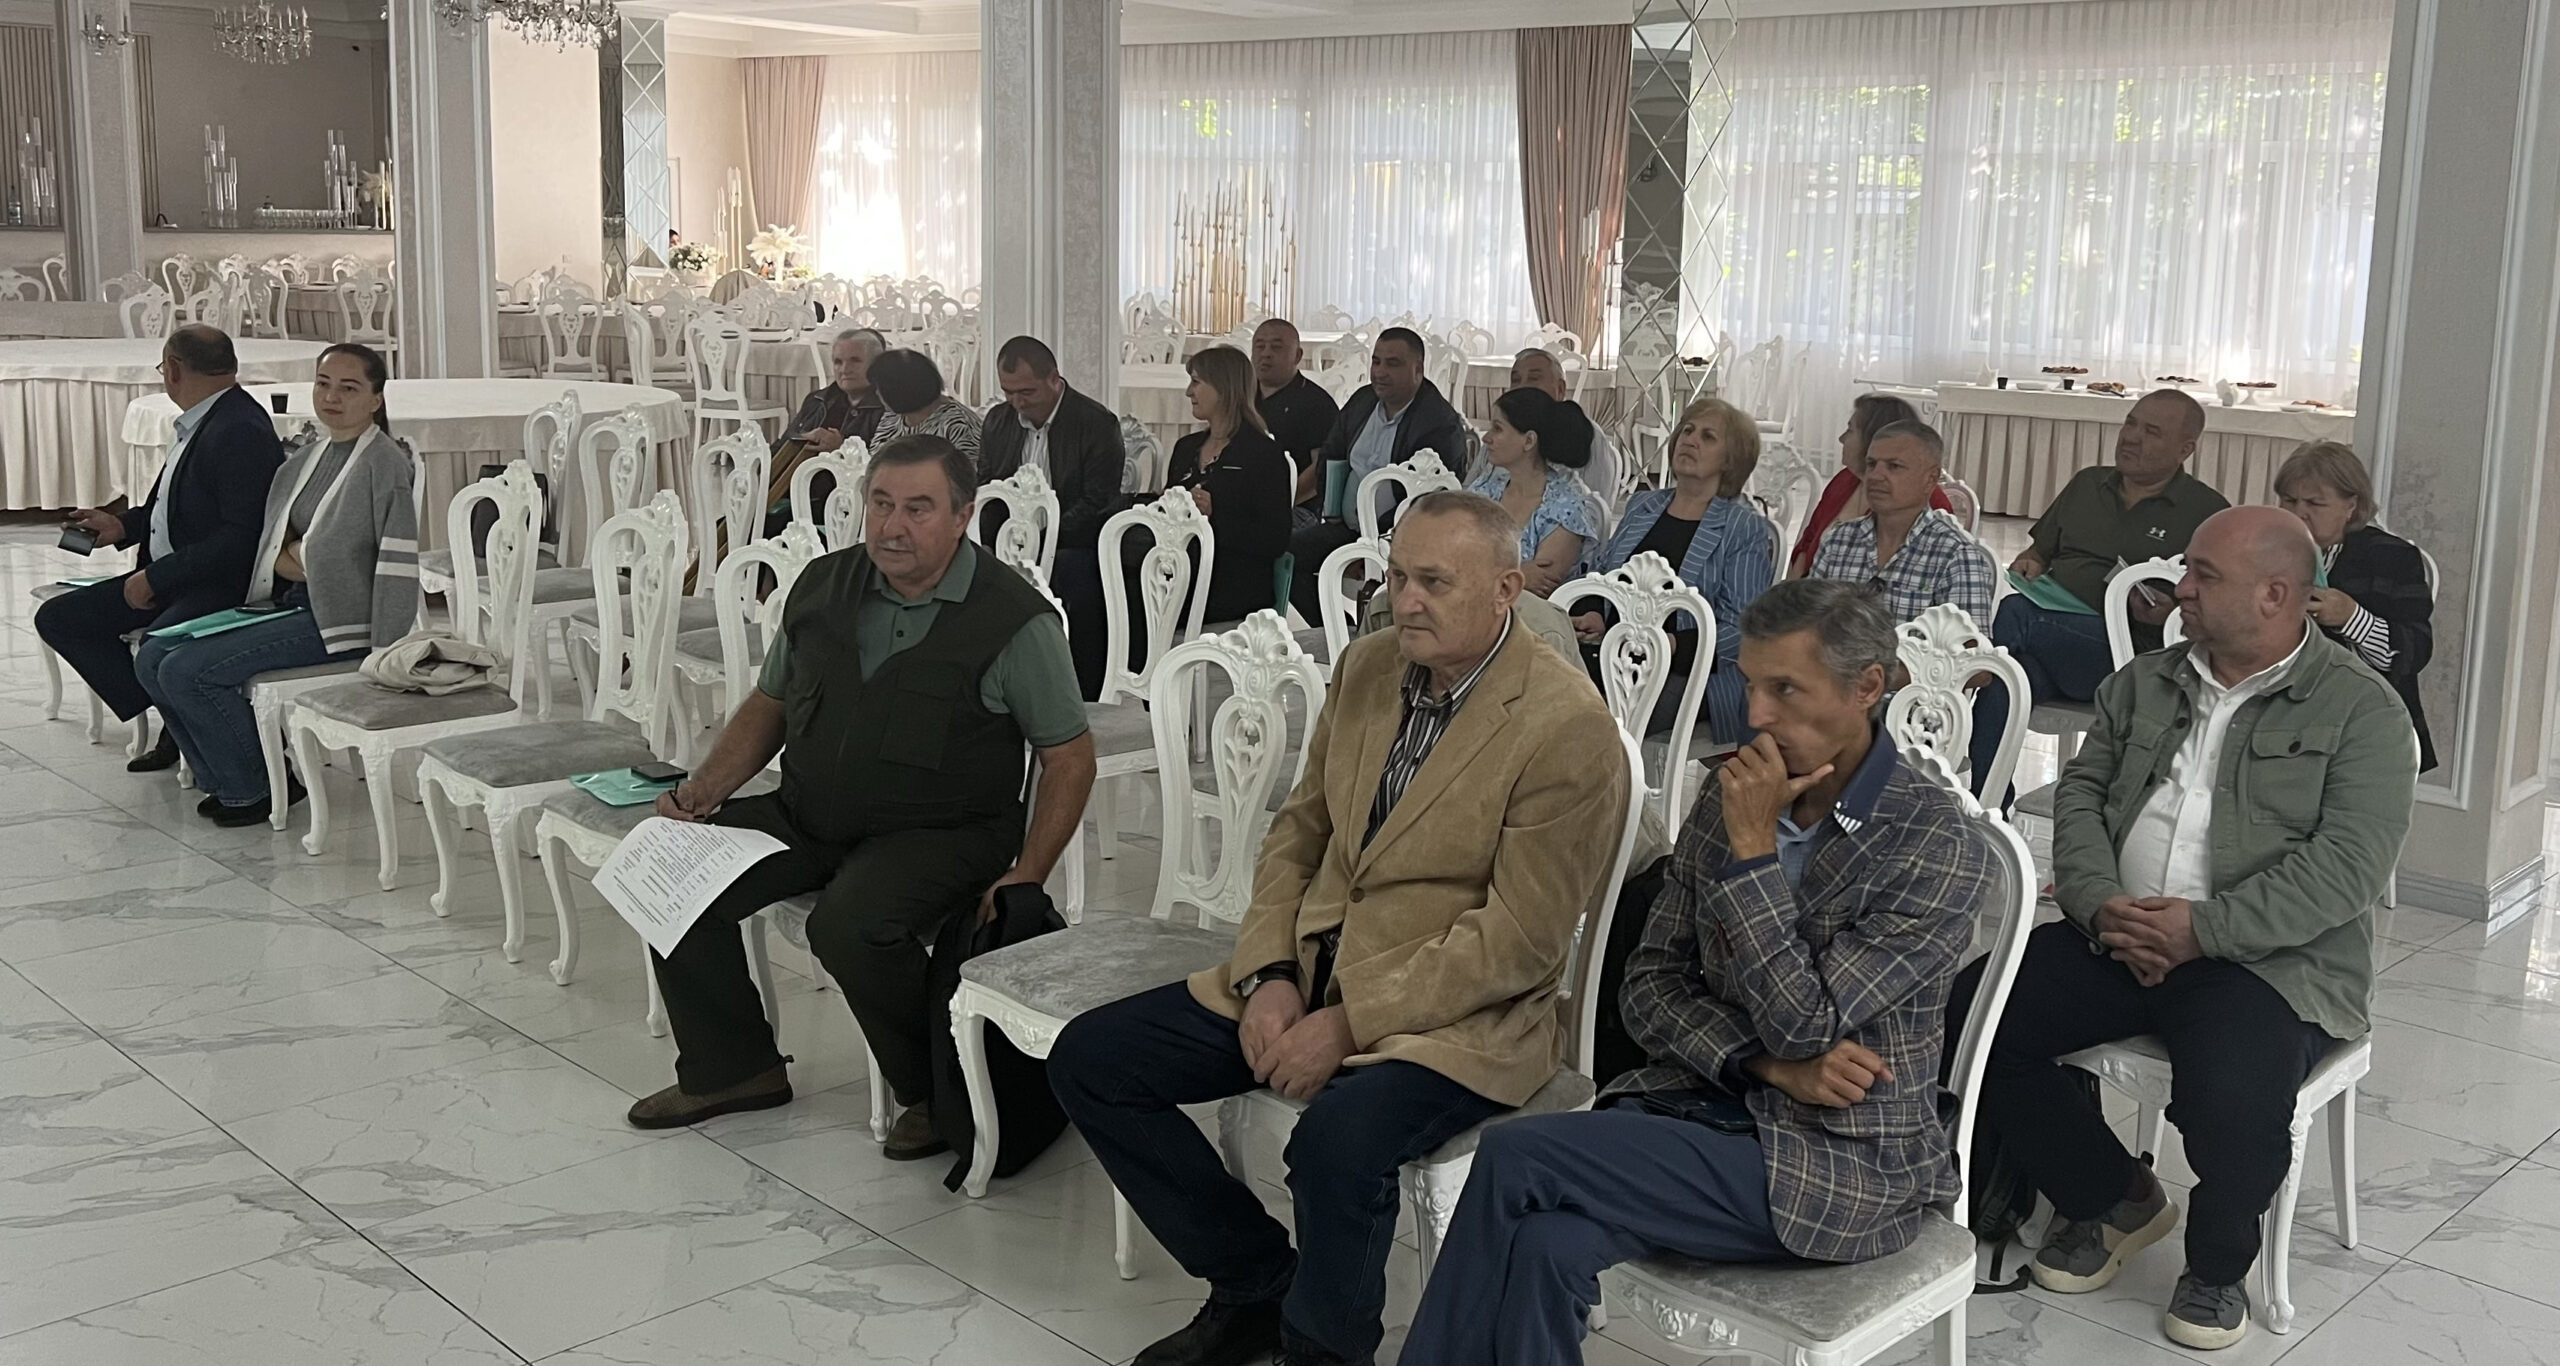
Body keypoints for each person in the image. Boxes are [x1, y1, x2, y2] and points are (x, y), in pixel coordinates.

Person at [1048, 491, 1627, 1366]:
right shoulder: (1367, 666)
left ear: (1508, 589)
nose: (1406, 601)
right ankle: (1253, 1281)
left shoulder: (1565, 726)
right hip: (1314, 968)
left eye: (1434, 582)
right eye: (1397, 576)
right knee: (1094, 1059)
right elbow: (1299, 831)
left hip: (1460, 1016)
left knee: (1338, 1143)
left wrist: (1352, 1022)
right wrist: (1270, 975)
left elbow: (1520, 938)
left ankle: (1325, 1350)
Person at [1399, 579, 1998, 1366]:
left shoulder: (1932, 842)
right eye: (1750, 685)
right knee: (1546, 1244)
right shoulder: (1730, 793)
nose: (1756, 715)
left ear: (1867, 688)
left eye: (1786, 689)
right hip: (1703, 1108)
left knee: (1518, 1157)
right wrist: (1764, 1064)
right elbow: (1648, 988)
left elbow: (1805, 1022)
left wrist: (1753, 854)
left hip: (1842, 1159)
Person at [1951, 506, 2416, 1351]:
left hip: (2268, 960)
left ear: (2276, 595)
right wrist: (2100, 902)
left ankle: (2217, 1267)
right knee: (1973, 1017)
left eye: (2204, 574)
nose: (2180, 588)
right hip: (2118, 931)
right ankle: (2112, 1197)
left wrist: (2204, 929)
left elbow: (2346, 868)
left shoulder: (2363, 711)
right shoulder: (2146, 680)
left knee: (2233, 1095)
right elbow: (2082, 795)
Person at [629, 435, 1098, 1162]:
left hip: (945, 832)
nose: (891, 526)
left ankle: (932, 1091)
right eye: (880, 504)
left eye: (917, 509)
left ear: (962, 516)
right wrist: (703, 792)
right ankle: (733, 1069)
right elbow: (771, 702)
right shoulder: (824, 584)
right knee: (672, 868)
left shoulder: (1014, 620)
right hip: (810, 810)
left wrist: (1028, 871)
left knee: (850, 926)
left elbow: (1068, 757)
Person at [132, 343, 417, 826]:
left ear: (376, 399)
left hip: (341, 622)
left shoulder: (383, 464)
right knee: (154, 654)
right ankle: (224, 778)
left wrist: (382, 650)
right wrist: (300, 556)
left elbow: (388, 559)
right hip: (292, 603)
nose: (332, 397)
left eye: (349, 388)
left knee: (188, 670)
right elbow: (276, 550)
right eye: (323, 384)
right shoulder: (307, 458)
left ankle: (257, 787)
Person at [38, 324, 287, 773]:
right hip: (175, 576)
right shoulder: (206, 417)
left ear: (172, 369)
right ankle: (178, 718)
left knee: (159, 651)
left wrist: (155, 578)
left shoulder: (238, 428)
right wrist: (121, 525)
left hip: (214, 584)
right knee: (60, 618)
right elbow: (173, 504)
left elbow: (240, 536)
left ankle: (187, 722)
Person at [1967, 389, 2229, 798]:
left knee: (2015, 617)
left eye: (2151, 432)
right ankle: (1986, 806)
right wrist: (2031, 562)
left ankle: (1958, 682)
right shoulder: (2088, 484)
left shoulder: (2206, 512)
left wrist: (2171, 612)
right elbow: (2038, 552)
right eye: (2130, 423)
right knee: (2006, 681)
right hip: (2056, 643)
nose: (2132, 437)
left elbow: (2219, 607)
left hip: (2134, 658)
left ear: (2185, 449)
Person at [1572, 398, 1774, 745]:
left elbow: (1746, 630)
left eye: (1708, 437)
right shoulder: (1643, 505)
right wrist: (1595, 613)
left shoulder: (1743, 528)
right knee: (1546, 691)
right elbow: (1603, 572)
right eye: (1687, 430)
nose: (1690, 440)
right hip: (1613, 652)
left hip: (1690, 673)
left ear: (1731, 459)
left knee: (1590, 722)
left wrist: (1674, 644)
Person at [978, 335, 1131, 698]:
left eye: (1027, 392)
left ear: (1054, 379)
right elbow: (986, 486)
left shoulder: (1095, 423)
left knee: (1074, 576)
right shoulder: (999, 421)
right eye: (1008, 392)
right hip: (1010, 537)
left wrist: (1043, 539)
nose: (1017, 403)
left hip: (1073, 540)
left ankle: (1077, 690)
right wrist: (991, 540)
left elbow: (1098, 501)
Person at [1283, 328, 1471, 622]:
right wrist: (1331, 513)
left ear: (1418, 369)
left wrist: (1374, 543)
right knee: (1285, 555)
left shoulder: (1437, 423)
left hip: (1400, 537)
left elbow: (1430, 502)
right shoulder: (1363, 401)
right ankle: (1339, 629)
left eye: (1393, 363)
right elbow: (1332, 455)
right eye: (1376, 361)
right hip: (1346, 527)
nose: (1380, 372)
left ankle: (1370, 634)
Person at [2274, 440, 2435, 771]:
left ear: (2351, 506)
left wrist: (2351, 618)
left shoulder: (2392, 558)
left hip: (2364, 718)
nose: (2298, 513)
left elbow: (2413, 652)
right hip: (2278, 709)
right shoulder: (2268, 550)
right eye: (2289, 500)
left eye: (2315, 503)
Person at [1806, 420, 1993, 626]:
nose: (1875, 476)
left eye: (1894, 466)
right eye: (1871, 464)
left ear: (1930, 479)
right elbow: (1808, 624)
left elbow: (1969, 646)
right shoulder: (1838, 540)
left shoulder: (1956, 556)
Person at [1165, 344, 1294, 623]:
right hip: (1180, 571)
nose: (1188, 392)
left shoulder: (1263, 454)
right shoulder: (1186, 448)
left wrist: (1215, 514)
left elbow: (1274, 539)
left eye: (1196, 382)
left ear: (1223, 388)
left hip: (1234, 581)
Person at [1786, 393, 1951, 578]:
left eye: (1850, 430)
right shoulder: (1845, 481)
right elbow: (1808, 542)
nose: (1841, 438)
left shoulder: (1929, 500)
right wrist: (1795, 587)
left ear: (1873, 438)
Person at [1465, 386, 1603, 596]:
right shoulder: (1485, 489)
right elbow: (1453, 553)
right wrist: (1517, 574)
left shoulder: (1564, 510)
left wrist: (1477, 572)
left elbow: (1540, 591)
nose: (1486, 438)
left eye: (1498, 428)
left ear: (1529, 440)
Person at [762, 327, 888, 535]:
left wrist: (841, 449)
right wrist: (799, 440)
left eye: (855, 361)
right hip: (800, 496)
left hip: (852, 509)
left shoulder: (890, 408)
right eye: (838, 362)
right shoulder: (817, 400)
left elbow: (890, 471)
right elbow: (781, 448)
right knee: (734, 525)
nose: (844, 369)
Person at [1509, 348, 1620, 521]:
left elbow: (1590, 516)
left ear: (1560, 389)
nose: (1522, 387)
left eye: (1534, 379)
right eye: (1515, 380)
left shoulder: (1584, 436)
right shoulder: (1504, 430)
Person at [1250, 318, 1341, 523]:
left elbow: (1320, 469)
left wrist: (1280, 502)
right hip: (1246, 501)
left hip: (1297, 508)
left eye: (1276, 347)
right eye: (1259, 346)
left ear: (1297, 356)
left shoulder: (1316, 403)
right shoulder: (1243, 396)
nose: (1266, 353)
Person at [868, 349, 983, 463]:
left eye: (880, 388)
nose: (877, 393)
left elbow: (965, 471)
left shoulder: (959, 425)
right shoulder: (892, 416)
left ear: (899, 389)